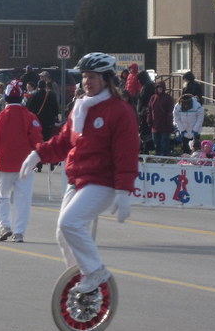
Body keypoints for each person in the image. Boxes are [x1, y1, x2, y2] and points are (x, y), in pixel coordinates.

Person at [20, 53, 139, 293]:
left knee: (70, 223)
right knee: (63, 233)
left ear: (106, 79)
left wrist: (124, 191)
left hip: (103, 181)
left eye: (92, 77)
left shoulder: (119, 111)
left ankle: (95, 272)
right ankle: (82, 279)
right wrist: (38, 154)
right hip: (79, 179)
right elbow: (65, 141)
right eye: (84, 76)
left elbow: (126, 153)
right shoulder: (81, 107)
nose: (87, 81)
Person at [0, 80, 42, 242]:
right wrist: (41, 156)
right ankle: (19, 232)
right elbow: (37, 139)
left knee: (1, 196)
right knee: (23, 199)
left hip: (5, 163)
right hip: (26, 164)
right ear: (22, 98)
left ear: (6, 98)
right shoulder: (30, 117)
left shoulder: (0, 117)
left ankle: (5, 226)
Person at [26, 79, 60, 171]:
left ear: (38, 87)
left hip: (38, 123)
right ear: (45, 87)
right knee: (48, 142)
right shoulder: (51, 95)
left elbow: (28, 109)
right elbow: (57, 109)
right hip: (49, 122)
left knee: (38, 142)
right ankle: (51, 163)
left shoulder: (34, 96)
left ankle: (39, 164)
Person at [146, 80, 175, 156]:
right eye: (158, 87)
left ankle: (165, 155)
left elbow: (170, 111)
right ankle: (158, 154)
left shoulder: (168, 98)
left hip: (165, 124)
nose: (160, 89)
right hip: (155, 124)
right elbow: (149, 109)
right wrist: (149, 120)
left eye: (161, 87)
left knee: (164, 141)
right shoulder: (153, 98)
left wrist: (169, 123)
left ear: (164, 88)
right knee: (156, 141)